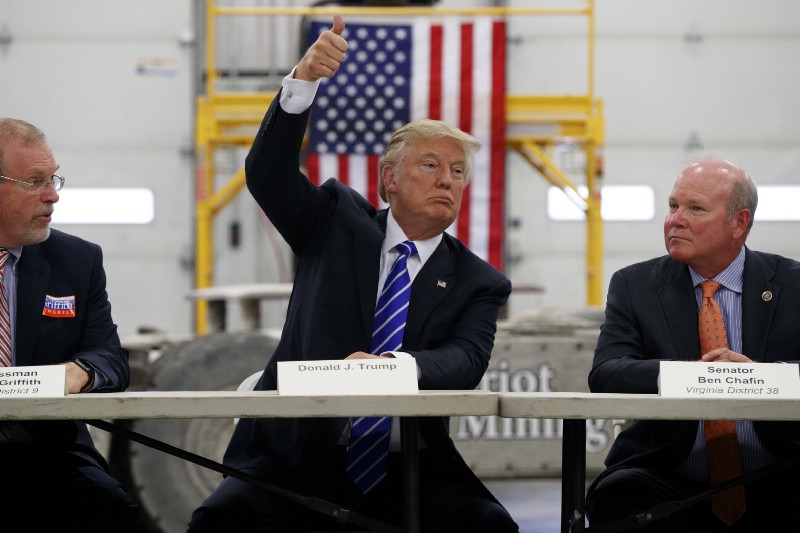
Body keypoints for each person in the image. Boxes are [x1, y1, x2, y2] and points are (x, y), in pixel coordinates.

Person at [188, 15, 518, 533]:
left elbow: (465, 361)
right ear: (390, 178)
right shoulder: (333, 222)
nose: (447, 180)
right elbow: (268, 175)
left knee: (488, 526)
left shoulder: (479, 281)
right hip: (291, 459)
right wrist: (303, 83)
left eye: (458, 172)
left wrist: (389, 367)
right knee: (221, 520)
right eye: (430, 165)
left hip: (408, 466)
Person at [586, 157, 800, 531]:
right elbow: (606, 372)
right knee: (617, 494)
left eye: (695, 208)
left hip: (779, 468)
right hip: (669, 472)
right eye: (673, 206)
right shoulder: (635, 285)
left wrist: (759, 377)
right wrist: (693, 377)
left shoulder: (792, 284)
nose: (675, 220)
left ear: (739, 222)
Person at [0, 118, 143, 531]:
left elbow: (110, 357)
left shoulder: (77, 261)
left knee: (112, 511)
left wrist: (80, 371)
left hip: (47, 451)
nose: (52, 196)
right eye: (35, 181)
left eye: (54, 179)